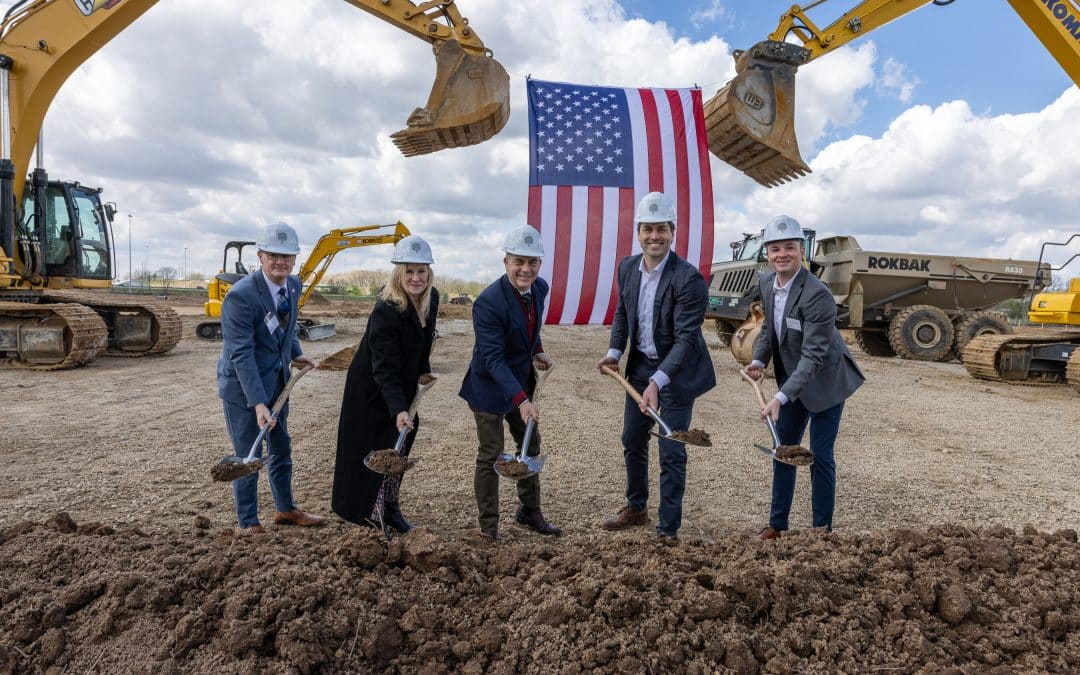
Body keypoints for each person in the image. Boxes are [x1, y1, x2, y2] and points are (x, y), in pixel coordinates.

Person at [597, 192, 715, 541]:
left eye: (661, 229)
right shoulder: (627, 267)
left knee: (671, 448)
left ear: (672, 231)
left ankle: (668, 529)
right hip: (641, 365)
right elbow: (622, 312)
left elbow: (685, 339)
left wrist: (657, 383)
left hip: (678, 371)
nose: (654, 236)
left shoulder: (689, 279)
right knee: (632, 438)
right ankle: (636, 506)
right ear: (638, 232)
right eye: (647, 229)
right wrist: (615, 352)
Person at [744, 215, 865, 539]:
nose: (782, 254)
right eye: (775, 249)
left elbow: (813, 356)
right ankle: (777, 525)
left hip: (826, 382)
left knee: (820, 456)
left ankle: (821, 531)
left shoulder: (817, 294)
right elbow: (770, 327)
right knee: (783, 448)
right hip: (793, 381)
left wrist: (780, 397)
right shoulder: (767, 284)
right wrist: (759, 359)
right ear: (767, 254)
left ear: (802, 251)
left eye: (789, 248)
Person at [218, 221, 325, 535]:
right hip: (244, 389)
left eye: (287, 256)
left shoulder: (292, 285)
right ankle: (248, 523)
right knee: (249, 454)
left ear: (295, 259)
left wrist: (295, 353)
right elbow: (241, 353)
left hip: (278, 382)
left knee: (281, 447)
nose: (281, 262)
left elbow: (284, 327)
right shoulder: (241, 297)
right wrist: (258, 403)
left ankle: (285, 509)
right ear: (260, 256)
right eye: (274, 255)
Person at [459, 224, 560, 541]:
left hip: (521, 382)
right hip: (489, 388)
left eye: (532, 262)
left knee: (530, 445)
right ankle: (489, 527)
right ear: (506, 262)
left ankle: (529, 511)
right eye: (519, 261)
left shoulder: (540, 289)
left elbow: (530, 329)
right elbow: (492, 359)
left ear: (539, 265)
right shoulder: (488, 302)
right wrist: (522, 401)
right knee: (491, 453)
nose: (525, 269)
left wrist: (538, 350)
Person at [332, 235, 439, 534]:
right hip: (371, 392)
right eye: (409, 271)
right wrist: (398, 409)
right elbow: (383, 367)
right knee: (374, 454)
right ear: (398, 274)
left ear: (429, 273)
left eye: (421, 271)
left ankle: (391, 508)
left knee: (399, 450)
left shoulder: (431, 300)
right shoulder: (386, 310)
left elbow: (424, 342)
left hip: (401, 390)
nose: (415, 278)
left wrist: (424, 372)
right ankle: (367, 514)